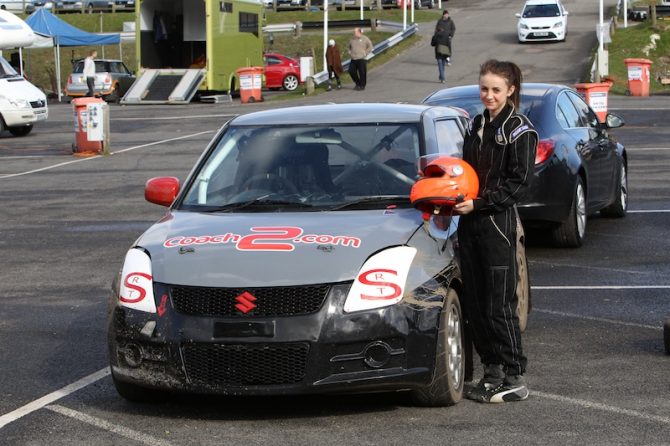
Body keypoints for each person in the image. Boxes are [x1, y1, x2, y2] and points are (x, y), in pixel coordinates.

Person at [452, 60, 538, 404]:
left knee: (499, 304)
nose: (488, 95)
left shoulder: (521, 130)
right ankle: (491, 374)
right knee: (474, 303)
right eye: (484, 88)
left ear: (511, 90)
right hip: (469, 223)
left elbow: (520, 186)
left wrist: (480, 203)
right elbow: (466, 173)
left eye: (496, 90)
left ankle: (514, 375)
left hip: (497, 224)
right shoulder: (476, 124)